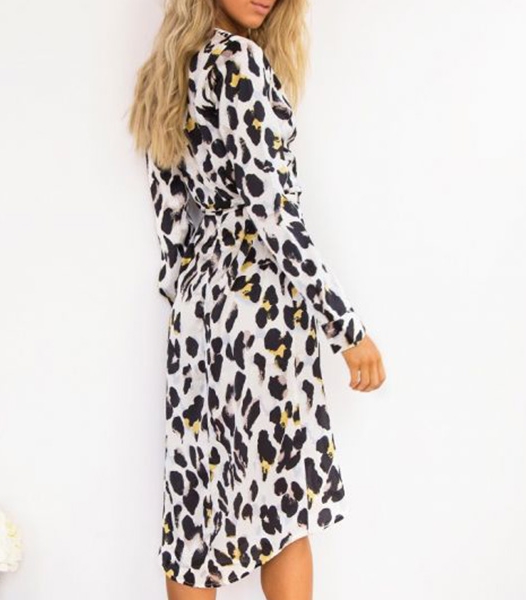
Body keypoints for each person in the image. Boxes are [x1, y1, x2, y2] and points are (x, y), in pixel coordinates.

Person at [128, 1, 386, 598]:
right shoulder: (239, 62)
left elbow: (171, 220)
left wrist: (193, 307)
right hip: (262, 301)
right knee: (286, 503)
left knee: (194, 505)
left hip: (198, 307)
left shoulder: (170, 71)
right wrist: (345, 328)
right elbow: (272, 212)